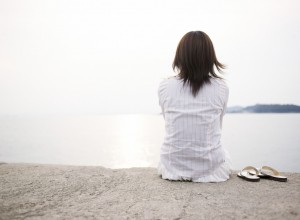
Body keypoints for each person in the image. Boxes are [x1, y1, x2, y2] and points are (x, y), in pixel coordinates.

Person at [157, 31, 232, 182]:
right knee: (225, 155)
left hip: (171, 168)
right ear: (210, 57)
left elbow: (169, 120)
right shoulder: (221, 87)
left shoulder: (165, 86)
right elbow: (219, 123)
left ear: (180, 56)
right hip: (211, 171)